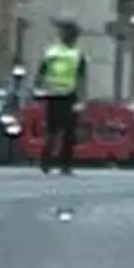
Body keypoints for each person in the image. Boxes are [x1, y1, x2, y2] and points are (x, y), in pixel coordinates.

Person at [35, 18, 87, 175]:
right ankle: (65, 164)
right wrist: (81, 98)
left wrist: (38, 89)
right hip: (69, 95)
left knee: (52, 130)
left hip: (52, 93)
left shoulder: (51, 52)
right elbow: (81, 77)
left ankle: (46, 162)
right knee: (68, 131)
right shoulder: (77, 54)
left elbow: (41, 72)